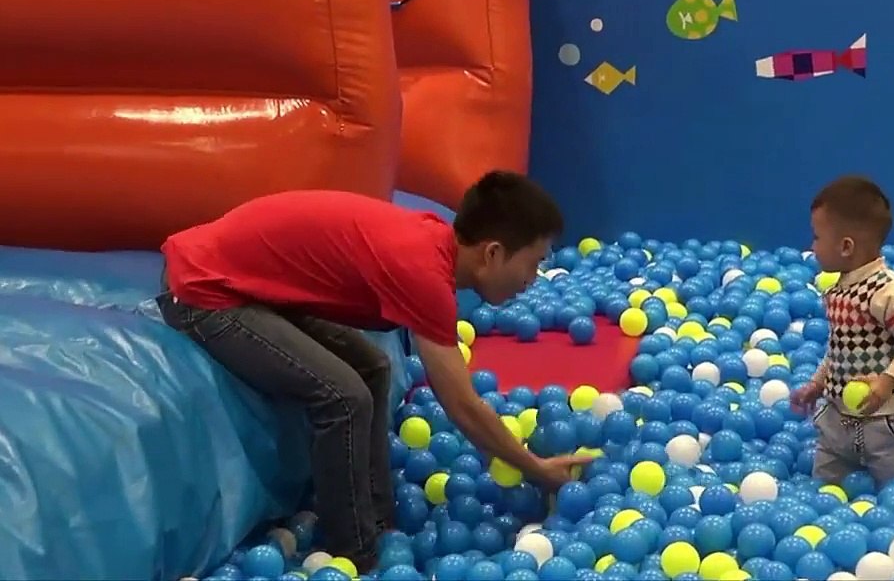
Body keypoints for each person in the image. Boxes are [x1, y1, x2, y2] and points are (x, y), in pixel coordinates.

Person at [156, 171, 590, 572]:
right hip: (204, 290)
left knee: (373, 366)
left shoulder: (434, 244)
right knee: (345, 397)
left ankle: (379, 522)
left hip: (253, 286)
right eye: (532, 263)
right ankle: (356, 556)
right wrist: (535, 467)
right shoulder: (422, 270)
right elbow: (462, 405)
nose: (535, 278)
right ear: (492, 253)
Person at [790, 175, 894, 490]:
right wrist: (818, 383)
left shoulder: (887, 291)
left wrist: (886, 382)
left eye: (816, 237)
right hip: (839, 418)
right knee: (825, 483)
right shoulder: (839, 290)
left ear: (845, 247)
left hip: (883, 421)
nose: (812, 246)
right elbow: (839, 347)